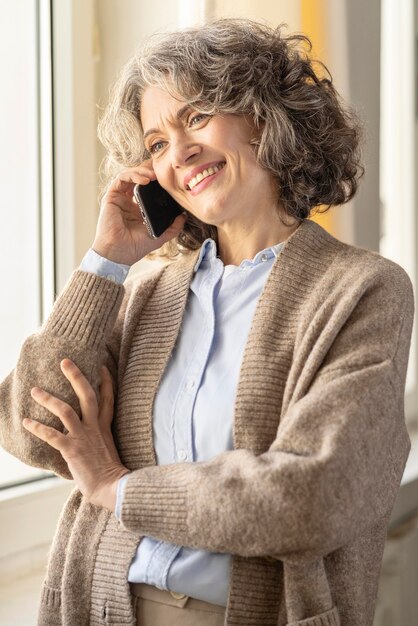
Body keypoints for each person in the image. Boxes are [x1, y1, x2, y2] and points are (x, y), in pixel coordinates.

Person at [0, 17, 414, 626]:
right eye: (156, 143)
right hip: (98, 607)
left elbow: (311, 499)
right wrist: (104, 264)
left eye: (195, 117)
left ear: (265, 118)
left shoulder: (361, 291)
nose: (180, 151)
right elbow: (29, 429)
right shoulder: (143, 290)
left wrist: (118, 489)